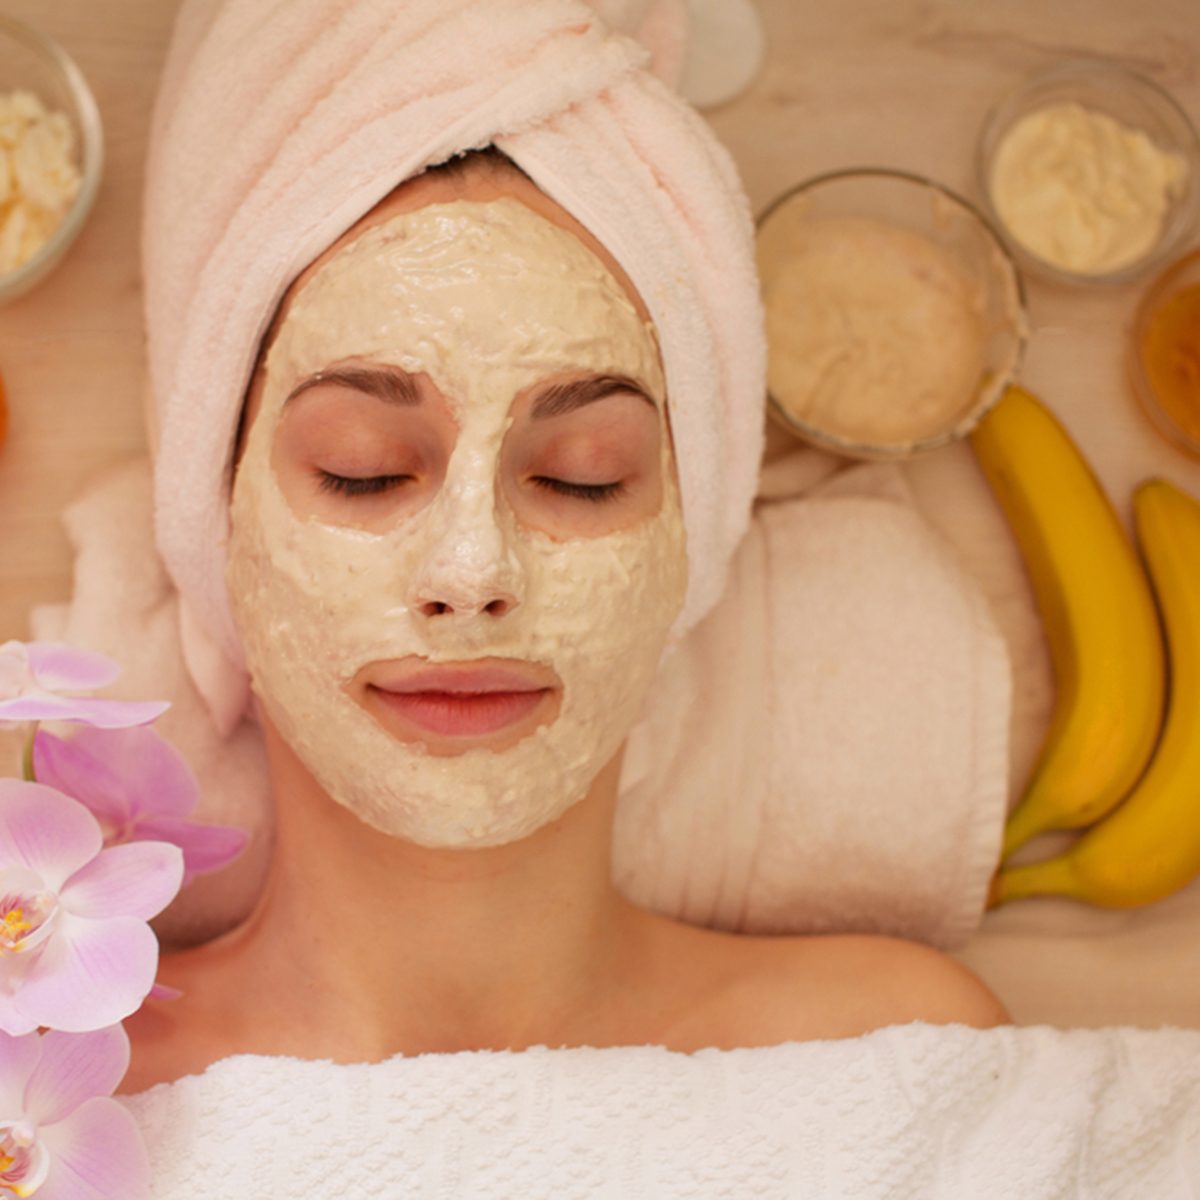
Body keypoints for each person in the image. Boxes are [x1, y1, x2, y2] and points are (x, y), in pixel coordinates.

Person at [118, 146, 1006, 1097]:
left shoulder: (894, 1067)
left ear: (686, 546)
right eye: (362, 468)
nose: (472, 573)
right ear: (219, 523)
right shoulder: (51, 1102)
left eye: (583, 476)